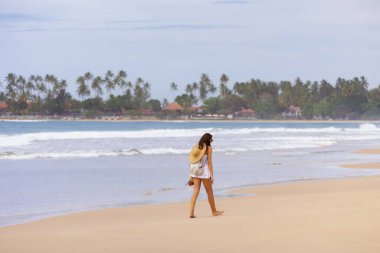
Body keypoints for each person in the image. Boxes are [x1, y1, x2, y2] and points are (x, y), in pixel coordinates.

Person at [188, 133, 224, 218]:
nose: (212, 141)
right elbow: (209, 162)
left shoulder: (196, 147)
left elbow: (191, 161)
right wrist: (211, 175)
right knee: (209, 192)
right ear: (208, 140)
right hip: (204, 172)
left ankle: (191, 213)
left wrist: (190, 176)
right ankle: (214, 211)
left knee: (195, 192)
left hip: (195, 172)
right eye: (211, 139)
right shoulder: (209, 148)